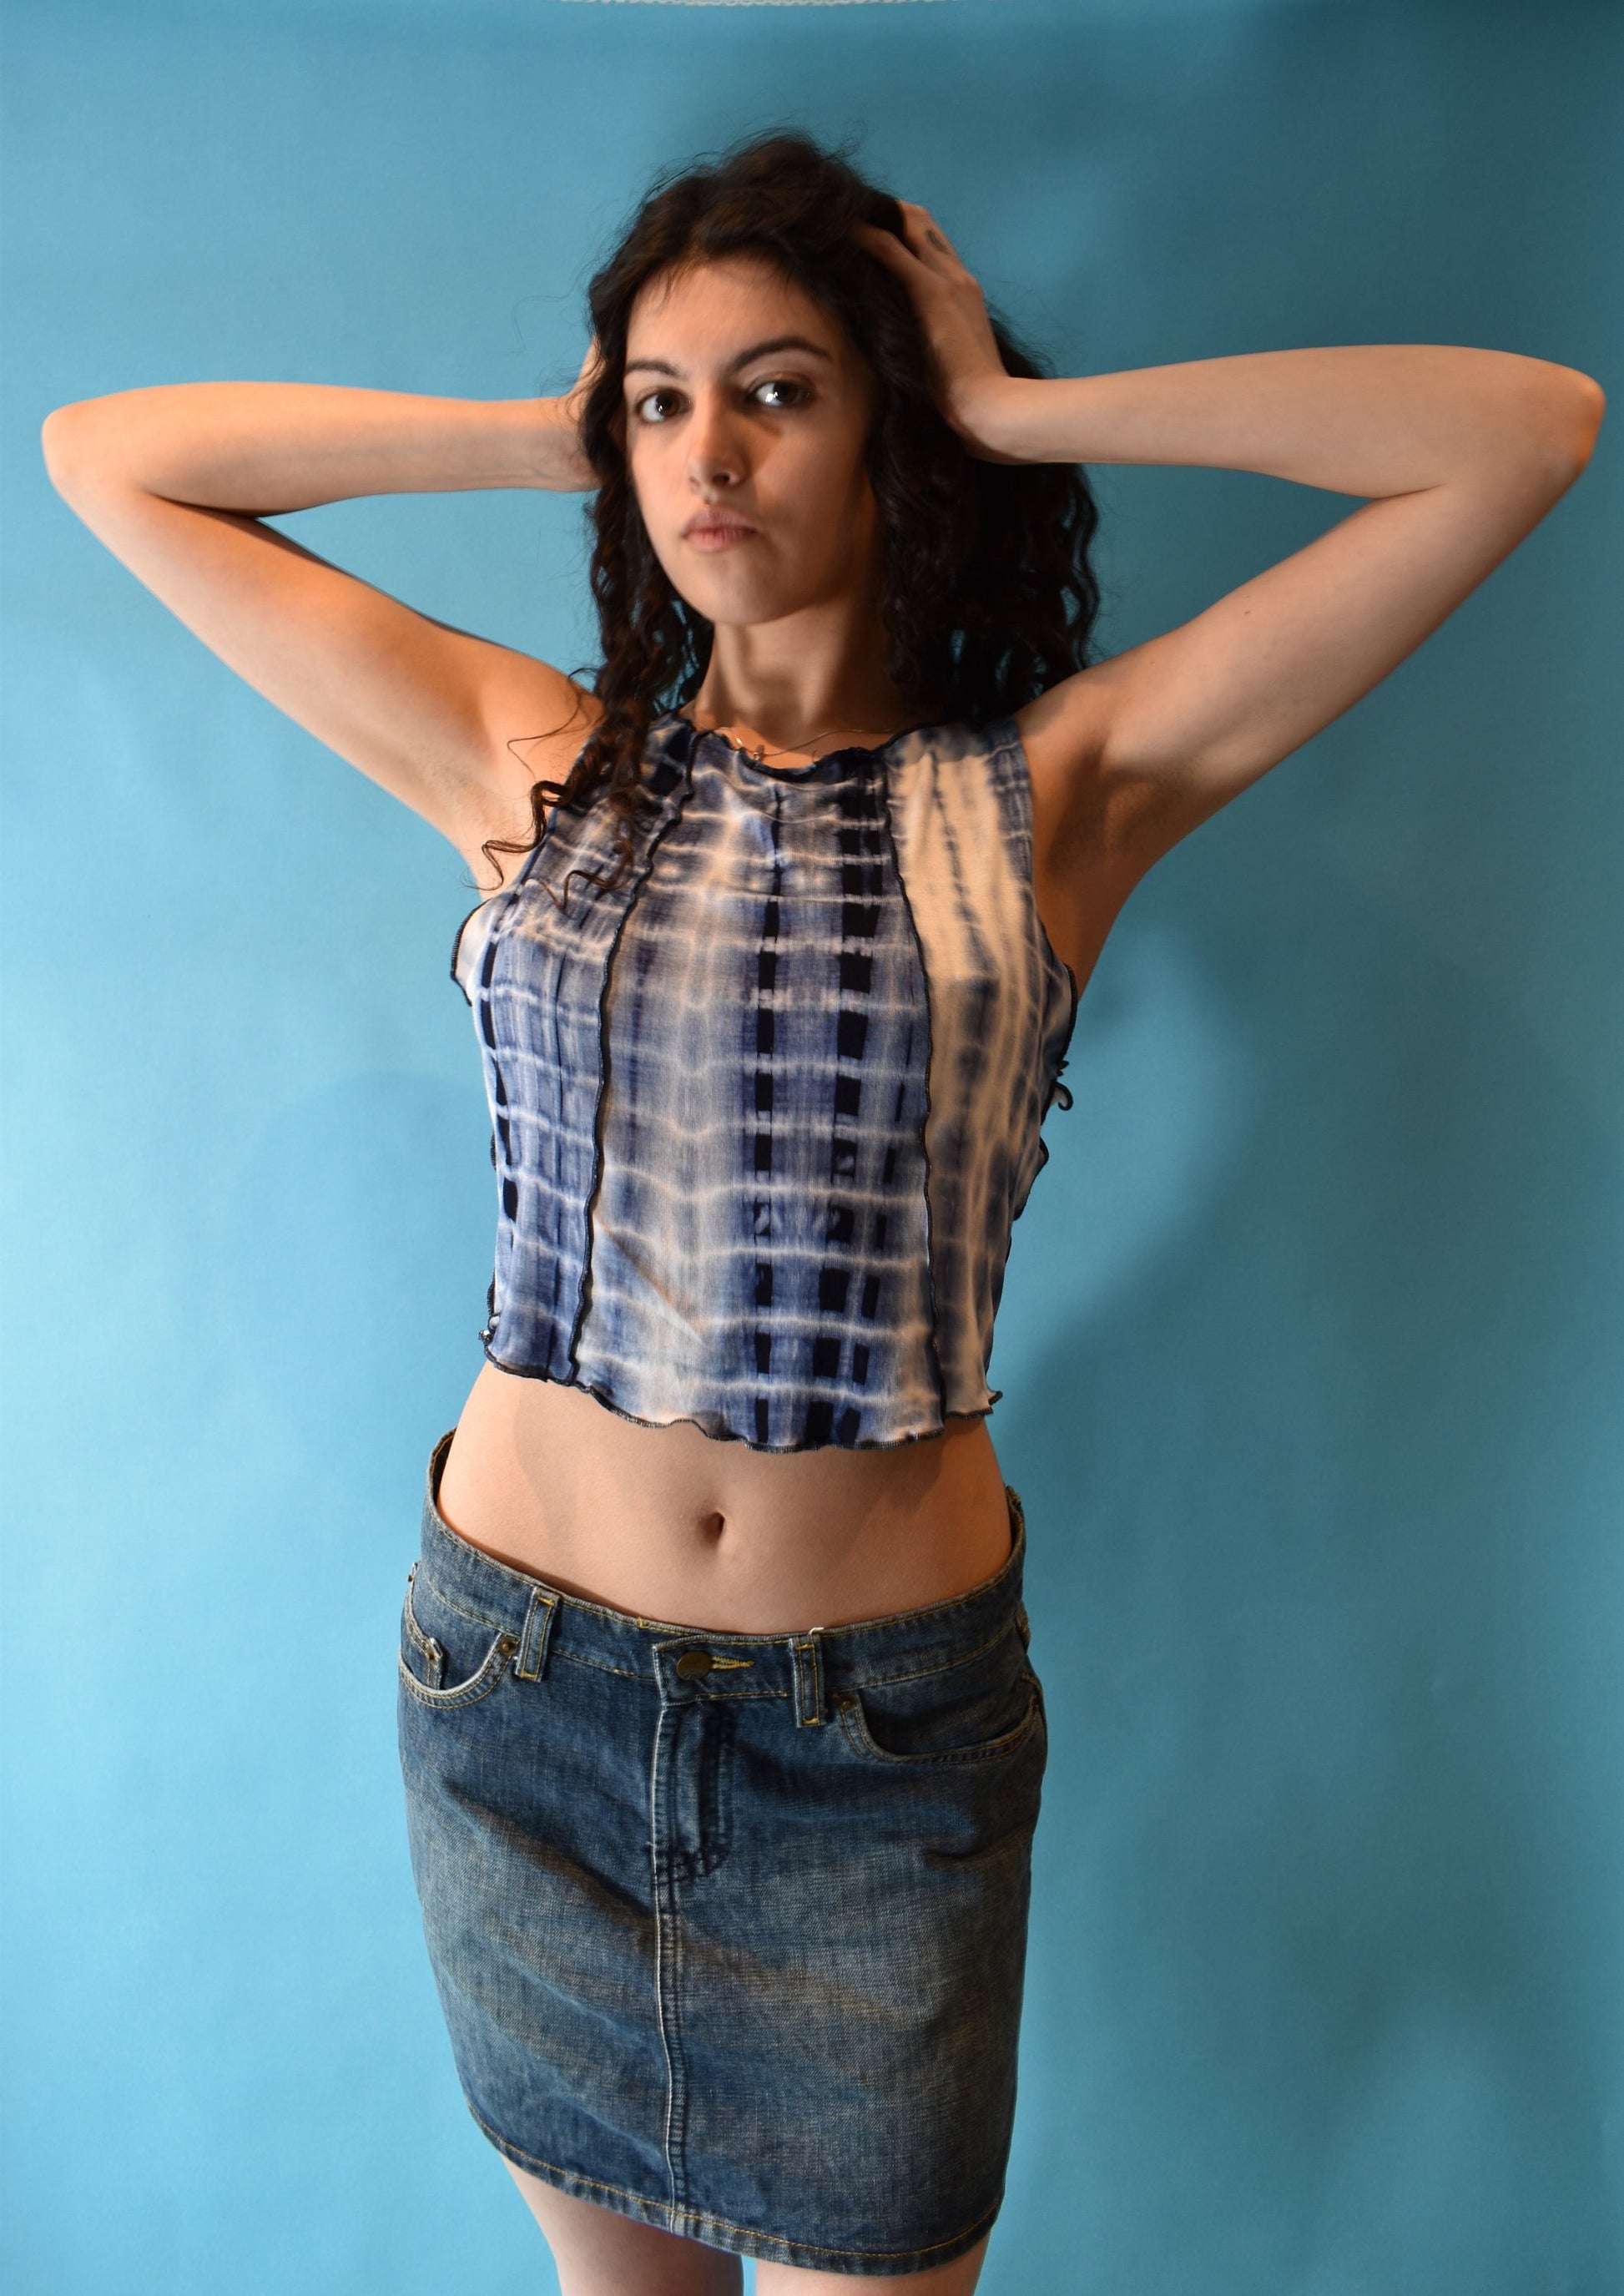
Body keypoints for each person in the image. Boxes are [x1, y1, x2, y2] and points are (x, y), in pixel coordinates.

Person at [42, 129, 1600, 2296]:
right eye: (663, 404)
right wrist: (554, 429)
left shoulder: (1048, 795)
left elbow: (1523, 430)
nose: (709, 453)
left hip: (873, 1756)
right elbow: (108, 458)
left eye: (776, 391)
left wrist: (1024, 409)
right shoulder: (532, 758)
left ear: (889, 424)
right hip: (519, 1699)